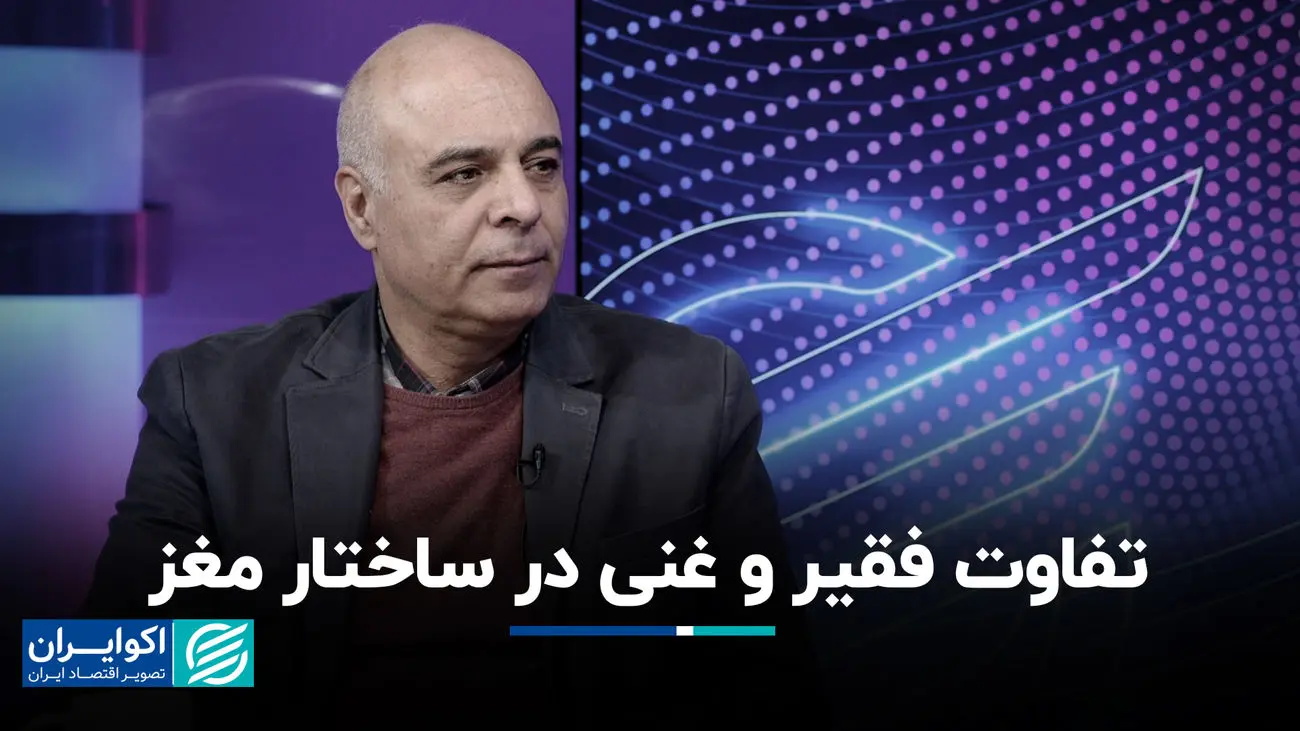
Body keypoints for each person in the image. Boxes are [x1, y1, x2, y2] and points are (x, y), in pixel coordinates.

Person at [76, 23, 826, 729]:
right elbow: (104, 664)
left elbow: (763, 672)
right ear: (362, 208)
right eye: (466, 174)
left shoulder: (691, 392)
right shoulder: (213, 401)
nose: (523, 206)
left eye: (543, 165)